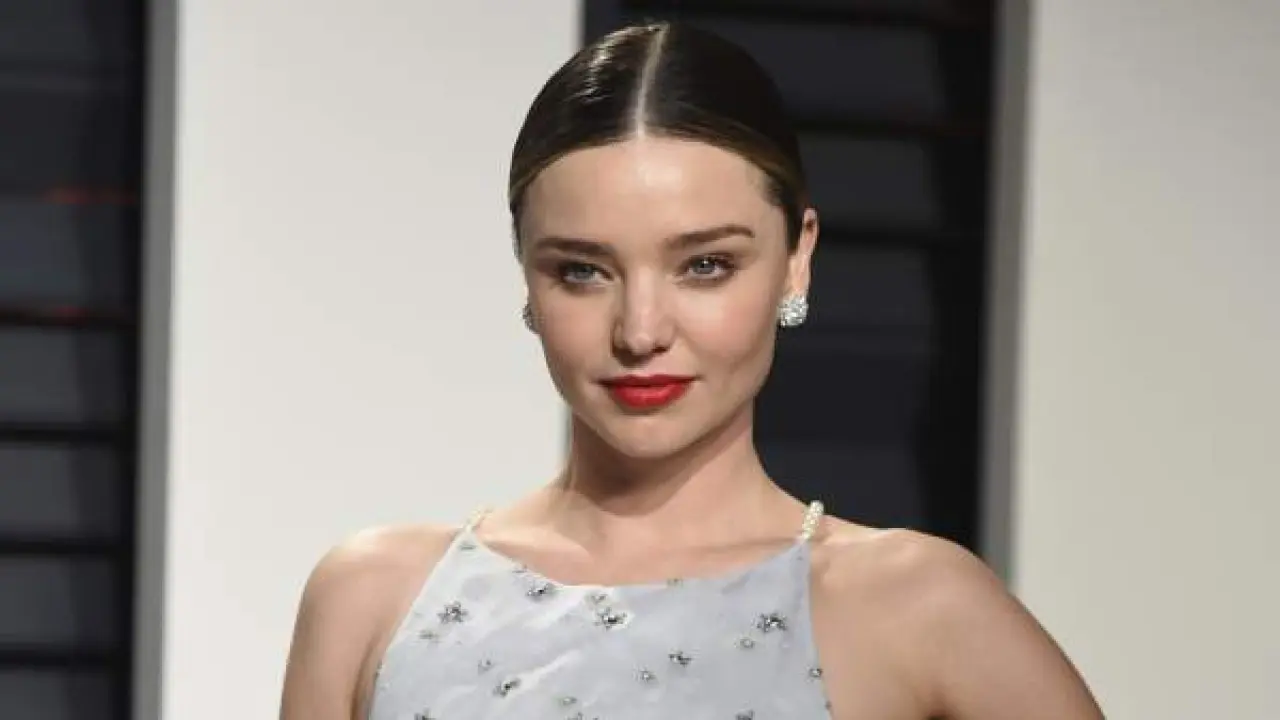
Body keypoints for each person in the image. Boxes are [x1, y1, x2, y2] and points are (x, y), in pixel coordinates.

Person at [280, 22, 1103, 720]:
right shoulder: (373, 598)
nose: (641, 331)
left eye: (705, 266)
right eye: (582, 271)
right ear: (526, 273)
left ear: (796, 259)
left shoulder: (918, 608)